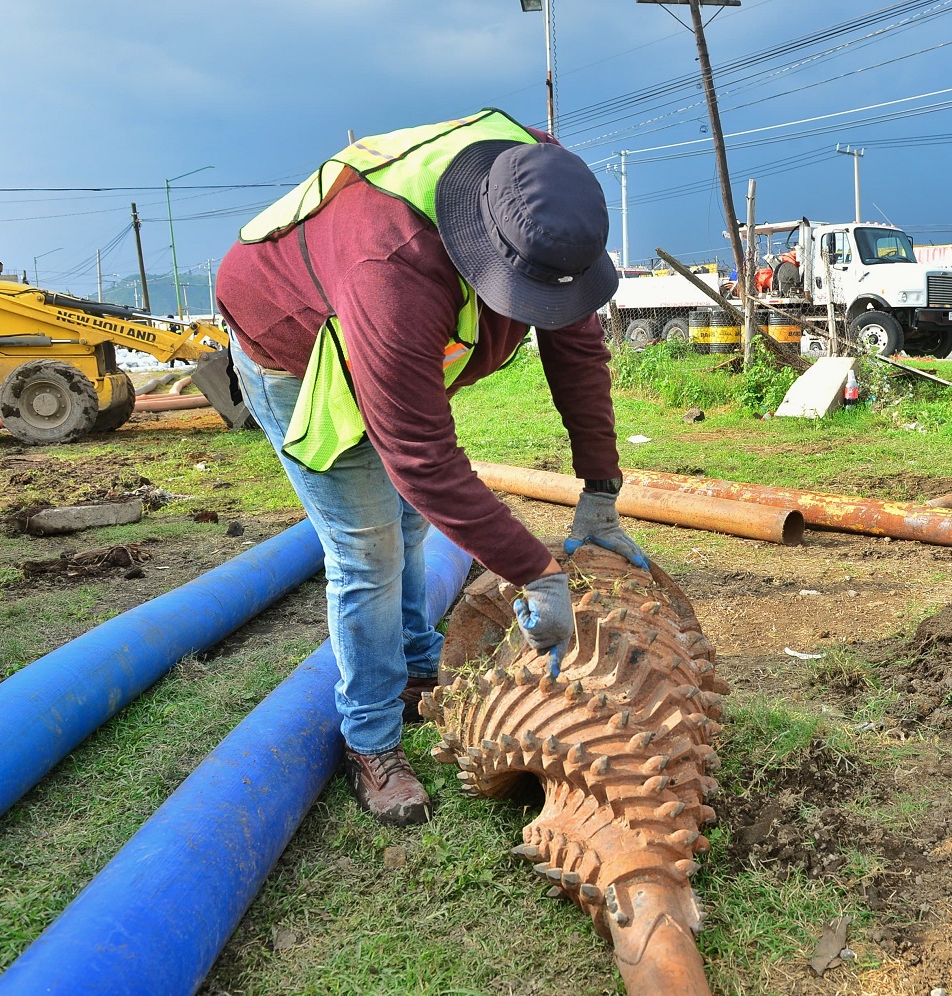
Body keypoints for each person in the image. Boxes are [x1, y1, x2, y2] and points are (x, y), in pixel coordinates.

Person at [215, 109, 648, 827]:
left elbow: (576, 347)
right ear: (483, 253)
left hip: (374, 322)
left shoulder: (544, 200)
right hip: (289, 342)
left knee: (412, 525)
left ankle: (419, 669)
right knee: (366, 551)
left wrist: (600, 489)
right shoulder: (396, 267)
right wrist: (535, 571)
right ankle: (371, 740)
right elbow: (420, 456)